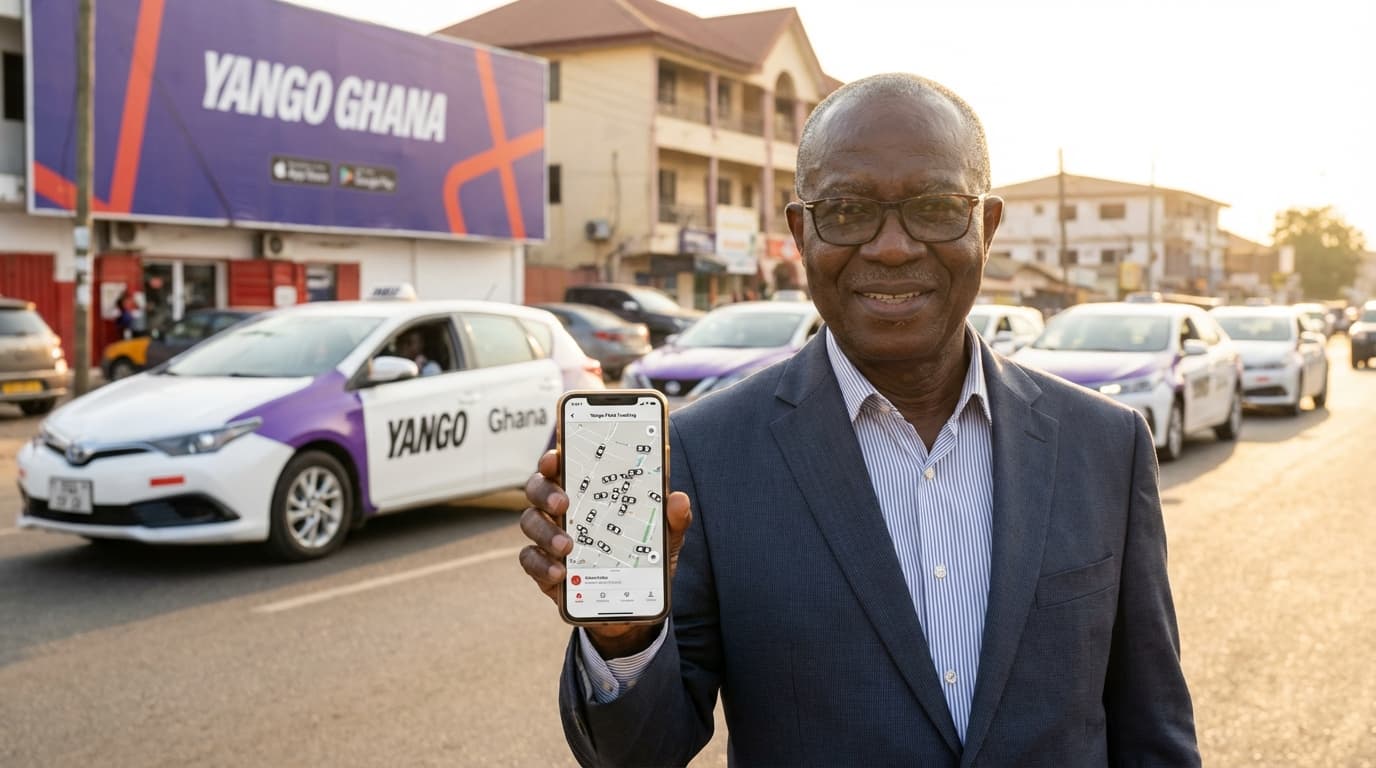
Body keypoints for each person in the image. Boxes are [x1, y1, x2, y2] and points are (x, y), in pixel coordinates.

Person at [519, 73, 1199, 765]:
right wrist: (624, 639)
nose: (893, 247)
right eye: (845, 210)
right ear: (800, 232)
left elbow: (1153, 732)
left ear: (987, 227)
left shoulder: (1104, 446)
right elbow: (640, 753)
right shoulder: (706, 457)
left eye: (935, 207)